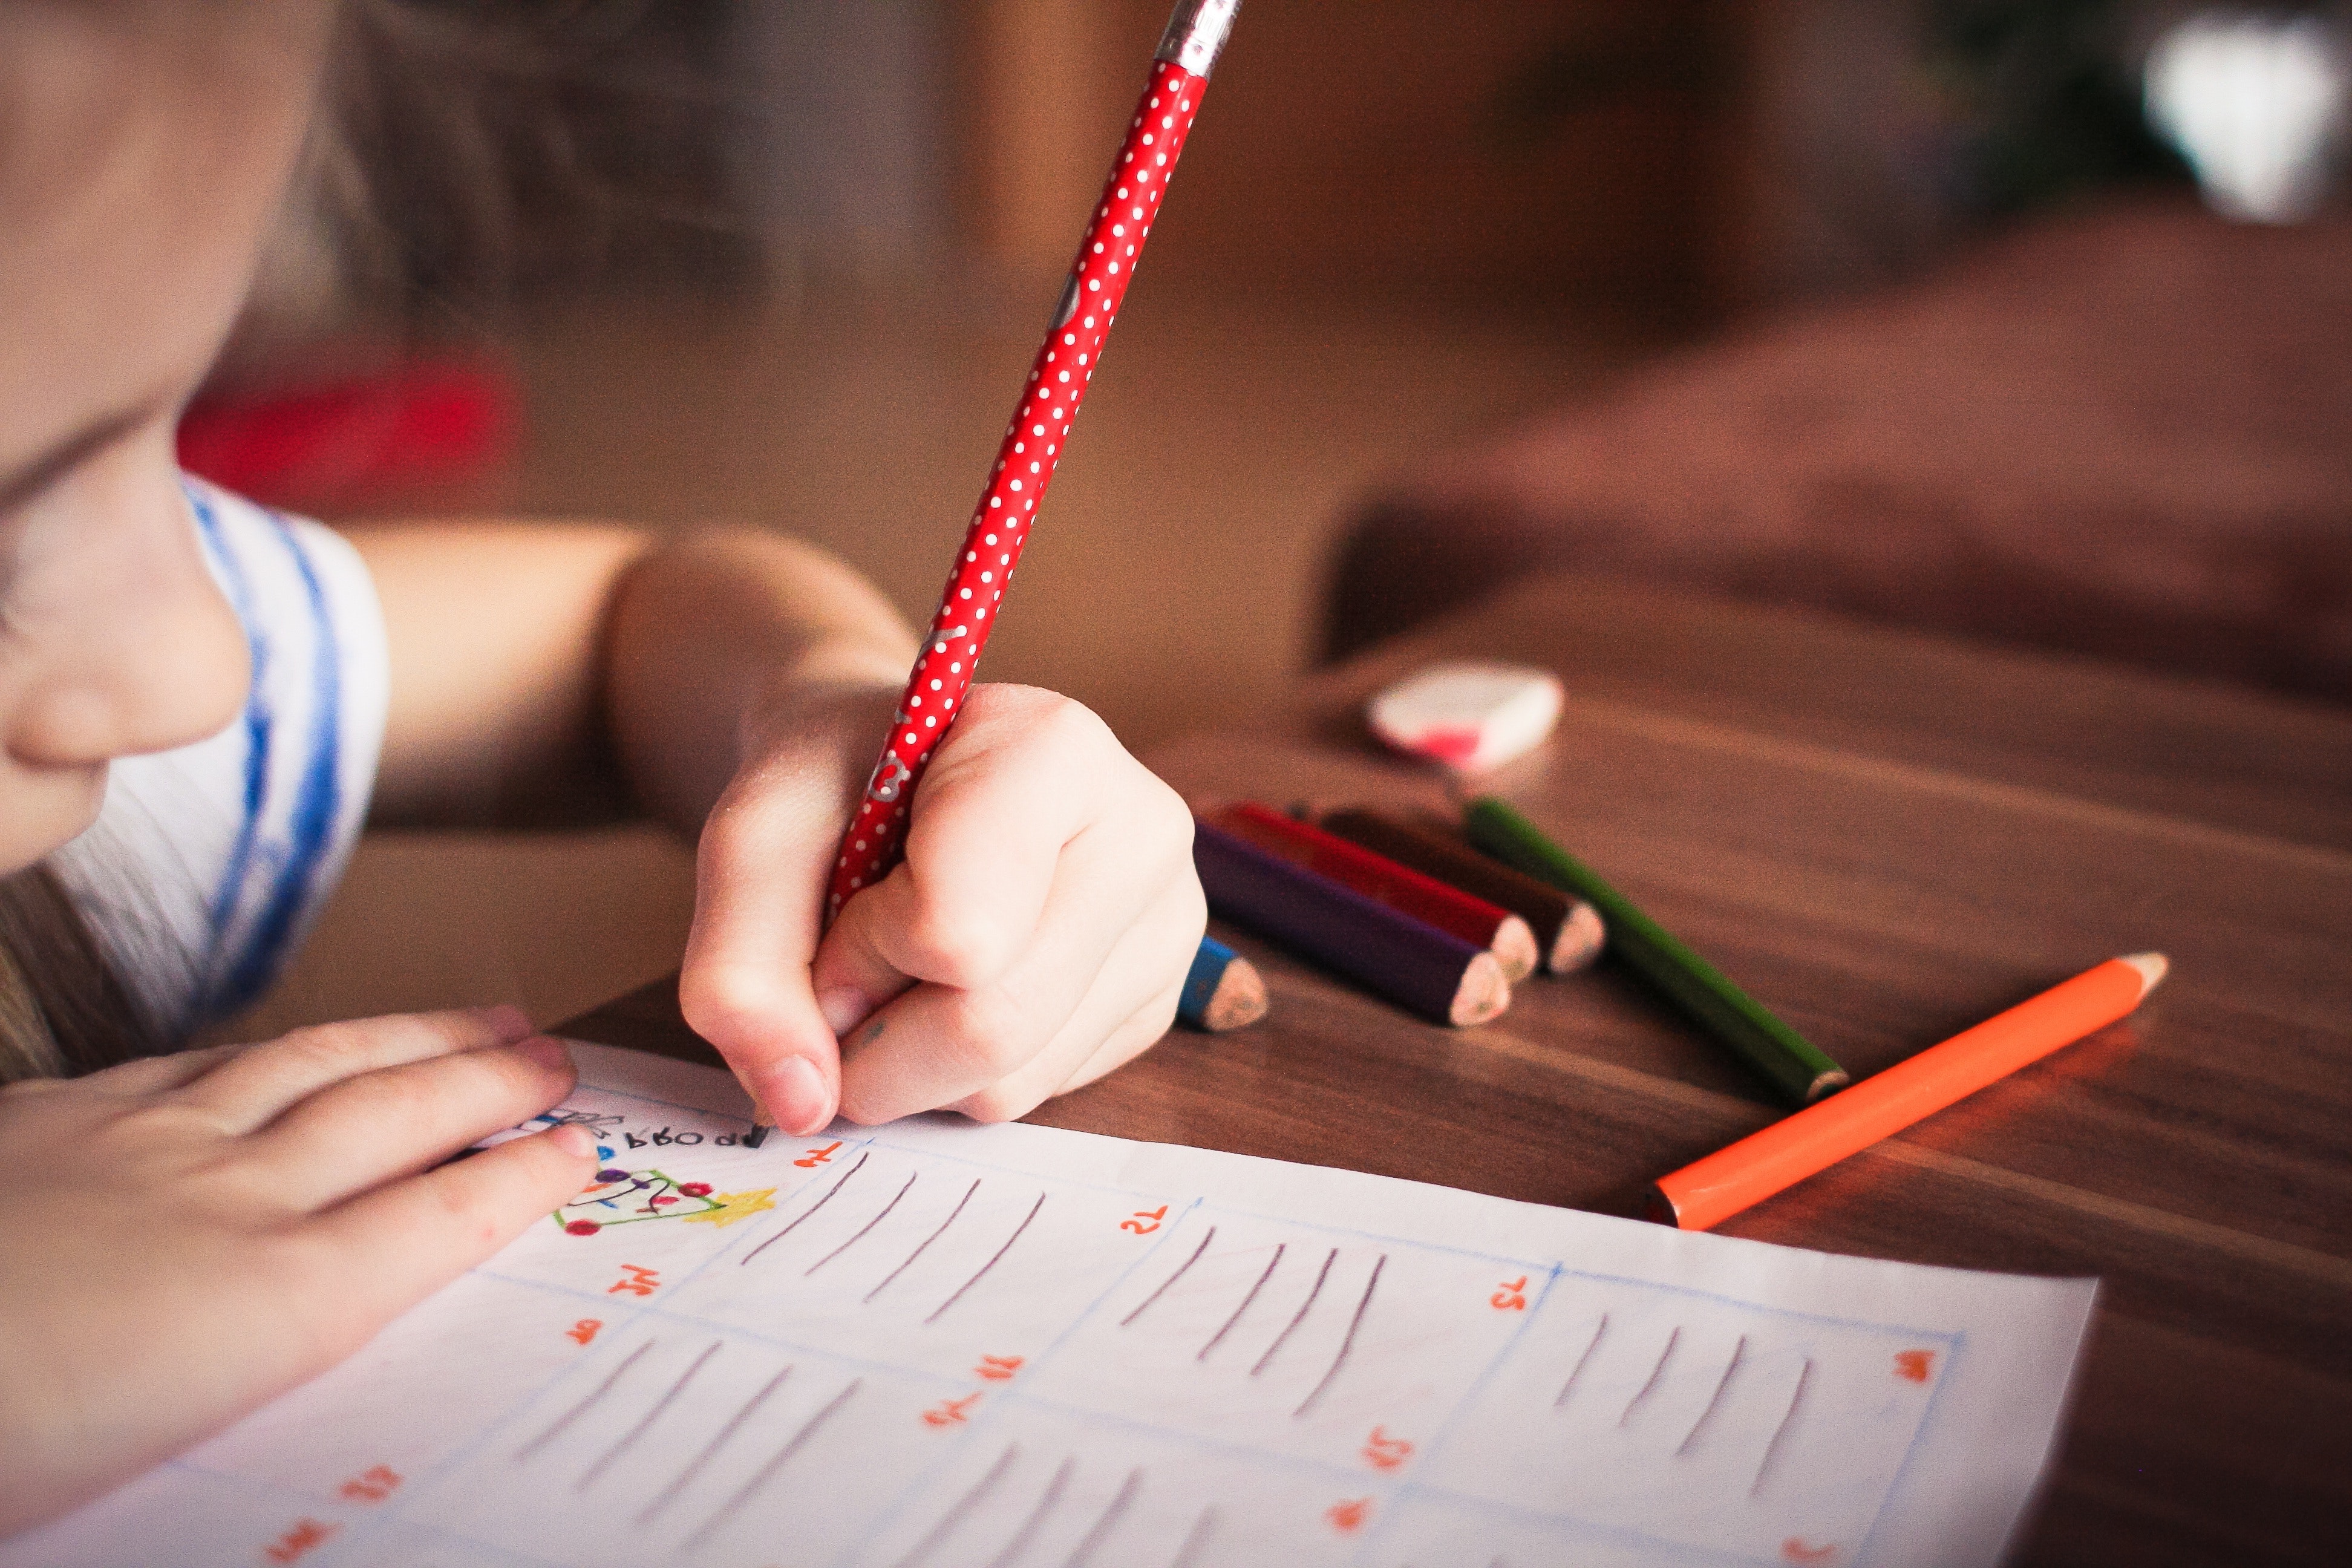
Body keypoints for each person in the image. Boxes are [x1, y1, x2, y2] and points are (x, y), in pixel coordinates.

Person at [0, 0, 1202, 1537]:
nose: (207, 665)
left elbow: (626, 622)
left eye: (169, 441)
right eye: (15, 524)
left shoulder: (115, 710)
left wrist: (822, 708)